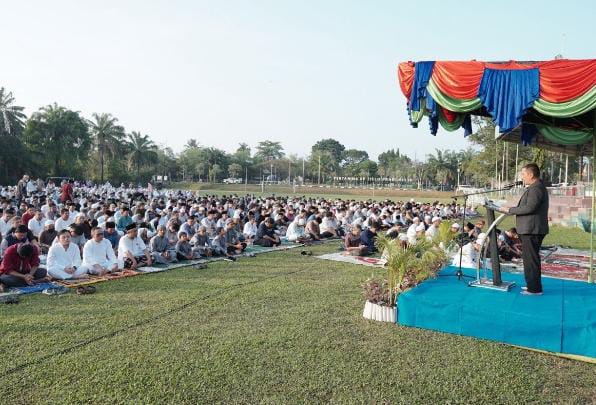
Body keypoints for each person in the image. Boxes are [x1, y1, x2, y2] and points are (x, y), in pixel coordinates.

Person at [498, 163, 549, 295]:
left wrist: (510, 210)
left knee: (531, 259)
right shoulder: (535, 187)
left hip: (532, 230)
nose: (522, 177)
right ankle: (532, 285)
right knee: (529, 259)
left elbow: (530, 208)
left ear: (531, 175)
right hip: (530, 229)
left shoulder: (536, 188)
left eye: (524, 174)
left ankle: (535, 289)